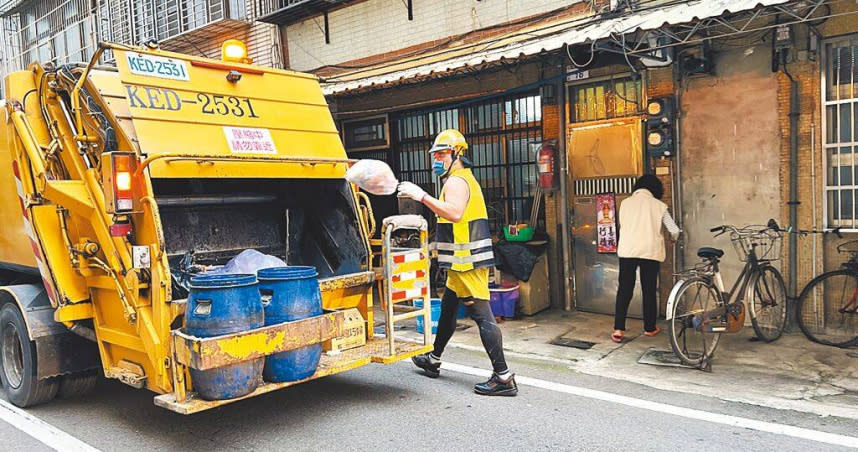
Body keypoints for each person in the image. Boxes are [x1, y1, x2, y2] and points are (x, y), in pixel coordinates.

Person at [397, 129, 517, 396]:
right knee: (449, 308)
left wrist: (421, 197)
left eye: (441, 154)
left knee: (482, 315)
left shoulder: (456, 182)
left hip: (466, 263)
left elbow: (454, 213)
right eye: (434, 155)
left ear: (457, 154)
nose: (436, 160)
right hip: (460, 262)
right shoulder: (460, 179)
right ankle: (433, 359)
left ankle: (503, 376)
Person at [611, 174, 680, 343]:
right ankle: (649, 328)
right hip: (649, 252)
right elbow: (674, 229)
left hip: (628, 250)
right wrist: (673, 239)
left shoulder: (625, 203)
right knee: (649, 289)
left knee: (624, 289)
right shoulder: (659, 206)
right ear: (655, 189)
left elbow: (623, 225)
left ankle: (618, 329)